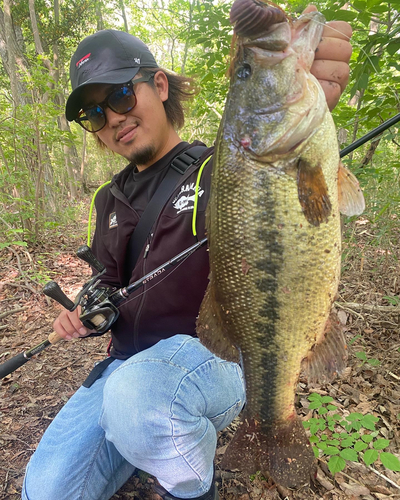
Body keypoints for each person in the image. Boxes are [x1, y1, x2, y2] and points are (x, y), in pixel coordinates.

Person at [22, 8, 353, 500]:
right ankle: (144, 432)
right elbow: (113, 285)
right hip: (129, 368)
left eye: (119, 94)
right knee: (47, 490)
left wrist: (305, 96)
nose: (114, 118)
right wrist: (88, 313)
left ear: (158, 85)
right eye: (94, 113)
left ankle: (189, 485)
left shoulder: (224, 165)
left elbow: (278, 178)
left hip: (217, 356)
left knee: (137, 397)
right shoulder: (106, 201)